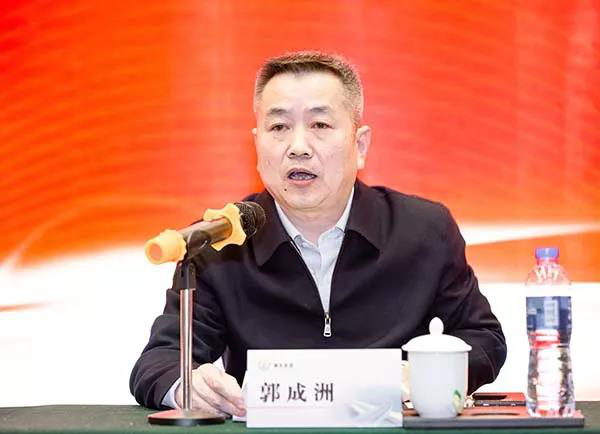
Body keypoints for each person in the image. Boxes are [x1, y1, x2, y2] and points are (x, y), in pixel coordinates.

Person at [130, 51, 506, 416]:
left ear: (360, 145)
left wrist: (422, 375)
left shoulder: (423, 231)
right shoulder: (221, 242)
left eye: (320, 126)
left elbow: (483, 339)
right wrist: (188, 385)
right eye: (279, 127)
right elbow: (160, 361)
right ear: (257, 144)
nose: (298, 148)